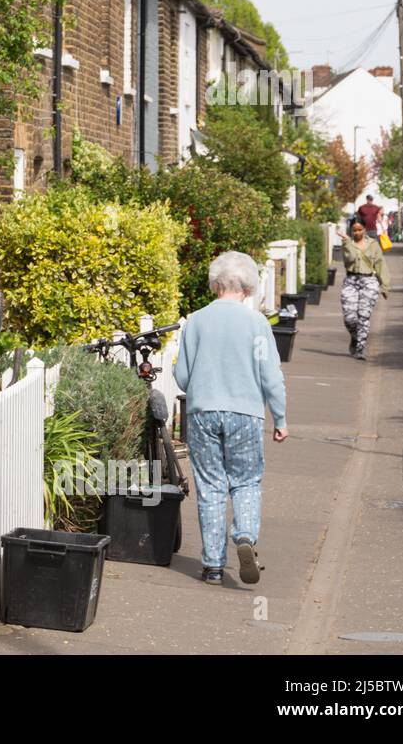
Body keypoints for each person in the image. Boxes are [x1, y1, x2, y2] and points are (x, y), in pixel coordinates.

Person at [174, 251, 288, 586]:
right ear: (249, 286)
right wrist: (280, 418)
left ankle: (211, 564)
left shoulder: (195, 321)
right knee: (246, 480)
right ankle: (245, 537)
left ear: (215, 283)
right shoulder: (257, 325)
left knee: (210, 486)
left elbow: (182, 377)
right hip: (245, 414)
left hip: (202, 413)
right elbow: (271, 377)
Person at [336, 218, 390, 360]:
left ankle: (360, 349)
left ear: (365, 229)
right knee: (350, 318)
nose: (357, 232)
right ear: (351, 231)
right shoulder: (348, 244)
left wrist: (385, 286)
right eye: (354, 230)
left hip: (369, 281)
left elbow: (380, 264)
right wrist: (348, 242)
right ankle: (355, 337)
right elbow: (350, 259)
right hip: (351, 281)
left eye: (360, 230)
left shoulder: (373, 245)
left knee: (364, 316)